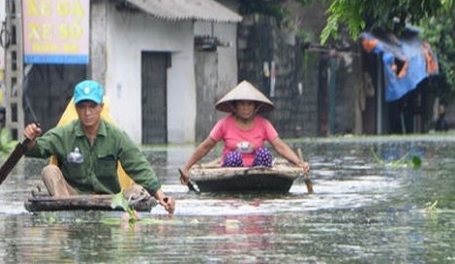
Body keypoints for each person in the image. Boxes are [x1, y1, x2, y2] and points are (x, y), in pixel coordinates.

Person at [23, 80, 175, 214]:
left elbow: (139, 166)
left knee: (138, 191)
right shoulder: (65, 134)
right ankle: (64, 213)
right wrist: (30, 140)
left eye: (92, 106)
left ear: (101, 107)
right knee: (49, 171)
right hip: (71, 196)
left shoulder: (116, 136)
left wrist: (162, 196)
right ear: (76, 108)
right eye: (82, 107)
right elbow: (38, 148)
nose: (87, 112)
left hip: (111, 197)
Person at [179, 80, 310, 184]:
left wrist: (299, 163)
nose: (246, 108)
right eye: (242, 104)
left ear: (255, 107)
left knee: (264, 153)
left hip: (258, 169)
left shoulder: (264, 124)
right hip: (231, 168)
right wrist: (187, 167)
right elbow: (206, 146)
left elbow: (279, 146)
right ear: (235, 106)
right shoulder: (224, 124)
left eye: (249, 104)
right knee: (234, 157)